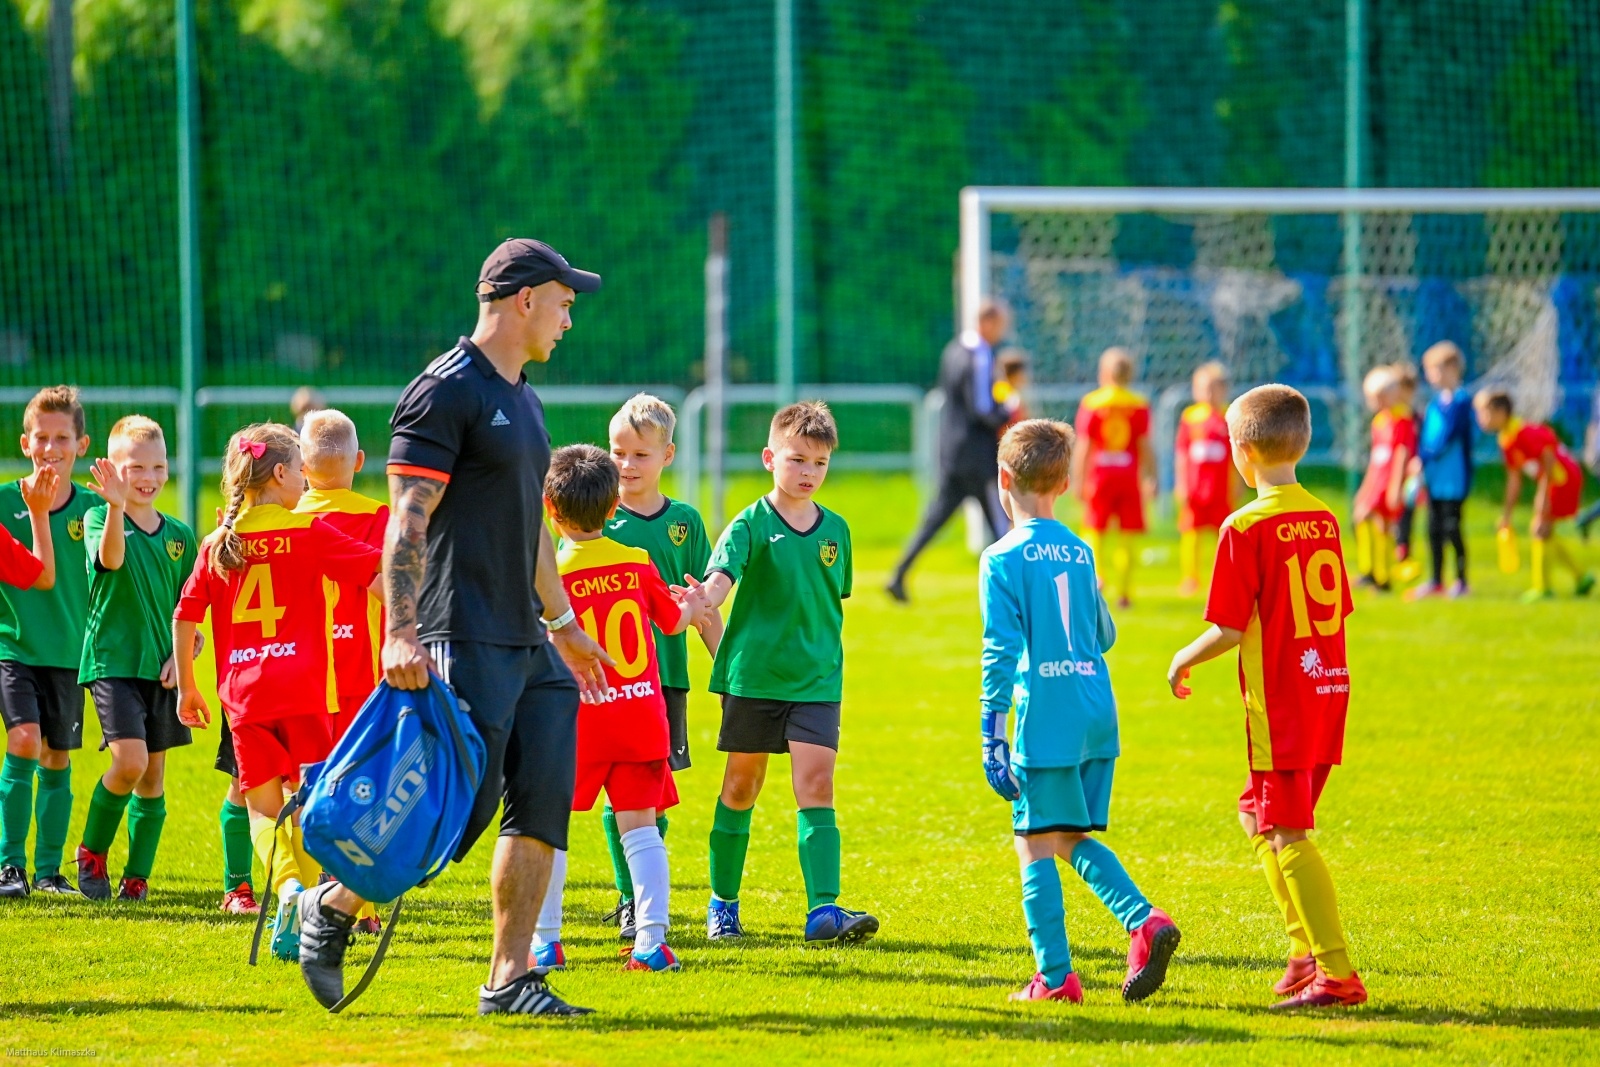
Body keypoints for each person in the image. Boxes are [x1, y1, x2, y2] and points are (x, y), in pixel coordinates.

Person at [295, 237, 611, 1017]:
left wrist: (563, 622)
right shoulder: (444, 391)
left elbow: (534, 527)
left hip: (527, 639)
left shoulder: (528, 399)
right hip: (456, 627)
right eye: (565, 301)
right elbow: (407, 519)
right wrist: (398, 631)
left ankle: (510, 979)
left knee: (541, 800)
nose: (570, 318)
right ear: (524, 298)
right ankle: (331, 903)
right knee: (448, 810)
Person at [1166, 385, 1367, 1010]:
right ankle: (1302, 949)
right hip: (1327, 687)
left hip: (1281, 701)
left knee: (1286, 831)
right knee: (1256, 812)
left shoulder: (1244, 525)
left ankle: (1335, 972)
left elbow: (1229, 627)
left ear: (1241, 451)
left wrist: (1181, 658)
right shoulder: (1325, 516)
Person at [978, 418, 1180, 1004]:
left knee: (1033, 841)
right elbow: (1105, 634)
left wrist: (992, 732)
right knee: (1063, 834)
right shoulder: (1081, 549)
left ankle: (1059, 974)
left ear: (1003, 479)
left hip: (1047, 713)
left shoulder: (1000, 557)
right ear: (1065, 483)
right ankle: (1143, 924)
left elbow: (999, 651)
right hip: (1096, 707)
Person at [174, 423, 384, 961]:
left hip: (244, 695)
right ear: (285, 473)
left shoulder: (218, 541)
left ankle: (288, 890)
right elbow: (377, 577)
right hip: (307, 690)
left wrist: (188, 690)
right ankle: (309, 907)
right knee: (310, 805)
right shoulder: (307, 531)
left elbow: (185, 615)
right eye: (301, 473)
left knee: (264, 809)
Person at [698, 401, 878, 945]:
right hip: (754, 680)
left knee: (817, 786)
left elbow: (826, 599)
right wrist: (702, 598)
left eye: (820, 463)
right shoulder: (750, 524)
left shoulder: (837, 532)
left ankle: (823, 911)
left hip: (818, 681)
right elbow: (719, 580)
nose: (808, 473)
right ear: (769, 458)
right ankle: (722, 903)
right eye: (798, 460)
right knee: (741, 787)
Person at [534, 444, 709, 973]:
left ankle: (545, 941)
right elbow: (674, 622)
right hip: (638, 718)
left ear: (549, 508)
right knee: (641, 830)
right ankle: (651, 944)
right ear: (615, 509)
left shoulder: (550, 577)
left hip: (576, 720)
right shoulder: (636, 562)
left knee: (546, 829)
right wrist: (695, 605)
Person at [598, 393, 720, 940]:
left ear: (667, 455)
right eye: (619, 452)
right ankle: (630, 898)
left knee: (655, 788)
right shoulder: (593, 518)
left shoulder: (686, 523)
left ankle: (641, 895)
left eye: (640, 455)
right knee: (616, 788)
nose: (627, 465)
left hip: (665, 680)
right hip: (608, 682)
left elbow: (703, 604)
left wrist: (728, 673)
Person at [74, 416, 199, 902]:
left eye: (158, 466)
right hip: (112, 663)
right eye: (135, 468)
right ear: (112, 470)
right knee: (130, 761)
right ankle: (92, 853)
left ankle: (136, 878)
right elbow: (112, 561)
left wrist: (185, 651)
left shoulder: (181, 537)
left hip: (160, 670)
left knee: (152, 777)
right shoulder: (99, 520)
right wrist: (115, 508)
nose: (148, 477)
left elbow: (189, 612)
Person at [0, 387, 86, 898]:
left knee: (57, 754)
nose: (51, 447)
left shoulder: (98, 509)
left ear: (81, 443)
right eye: (42, 437)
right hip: (13, 648)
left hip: (70, 654)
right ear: (25, 442)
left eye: (62, 437)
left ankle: (50, 873)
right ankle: (10, 867)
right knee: (25, 740)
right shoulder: (5, 502)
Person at [885, 300, 1013, 602]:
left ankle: (899, 574)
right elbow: (981, 407)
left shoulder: (953, 349)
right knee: (1000, 519)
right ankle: (1020, 587)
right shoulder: (980, 355)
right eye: (1001, 325)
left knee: (936, 519)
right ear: (988, 322)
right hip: (977, 455)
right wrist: (1006, 411)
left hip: (952, 451)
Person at [293, 409, 389, 742]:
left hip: (302, 666)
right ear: (359, 460)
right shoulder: (377, 516)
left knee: (306, 771)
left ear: (301, 468)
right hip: (362, 669)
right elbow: (387, 588)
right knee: (361, 768)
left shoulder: (289, 518)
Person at [1473, 389, 1594, 601]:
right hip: (1552, 481)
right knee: (1545, 531)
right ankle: (1581, 577)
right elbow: (1514, 480)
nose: (1480, 418)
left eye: (1484, 412)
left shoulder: (1524, 432)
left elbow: (1548, 459)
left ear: (1501, 412)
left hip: (1562, 479)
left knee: (1539, 528)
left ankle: (1543, 588)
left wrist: (1543, 497)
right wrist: (1507, 515)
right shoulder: (1507, 439)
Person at [1071, 347, 1154, 609]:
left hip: (1100, 477)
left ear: (1104, 373)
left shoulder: (1093, 403)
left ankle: (1098, 575)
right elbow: (1145, 444)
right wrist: (1152, 475)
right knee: (1127, 535)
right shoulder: (1138, 404)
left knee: (1094, 529)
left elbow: (1084, 446)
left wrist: (1077, 478)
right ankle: (1125, 592)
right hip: (1129, 478)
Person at [1409, 343, 1474, 598]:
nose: (1429, 376)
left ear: (1451, 369)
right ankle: (1436, 580)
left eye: (1433, 370)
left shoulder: (1461, 402)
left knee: (1452, 527)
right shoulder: (1435, 403)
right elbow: (1427, 435)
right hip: (1434, 477)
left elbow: (1447, 437)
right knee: (1433, 528)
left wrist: (1423, 458)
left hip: (1454, 478)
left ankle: (1461, 581)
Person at [1174, 362, 1235, 597]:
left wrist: (1237, 484)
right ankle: (1191, 578)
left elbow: (1235, 455)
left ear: (1223, 389)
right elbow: (1181, 452)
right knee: (1191, 532)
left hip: (1220, 488)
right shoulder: (1190, 418)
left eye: (1214, 387)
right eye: (1203, 387)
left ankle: (1225, 577)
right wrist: (1181, 483)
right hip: (1195, 488)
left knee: (1225, 533)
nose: (1209, 393)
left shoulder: (1229, 416)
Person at [1352, 366, 1413, 591]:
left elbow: (1402, 453)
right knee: (1362, 516)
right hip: (1376, 478)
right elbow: (1376, 456)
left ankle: (1382, 576)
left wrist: (1397, 485)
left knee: (1382, 523)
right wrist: (1366, 486)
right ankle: (1370, 571)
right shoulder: (1379, 421)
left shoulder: (1402, 419)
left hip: (1389, 479)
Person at [1389, 362, 1423, 581]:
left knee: (1405, 516)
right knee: (1394, 517)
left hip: (1409, 476)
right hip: (1390, 474)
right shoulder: (1389, 417)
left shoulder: (1413, 418)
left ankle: (1404, 557)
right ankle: (1395, 557)